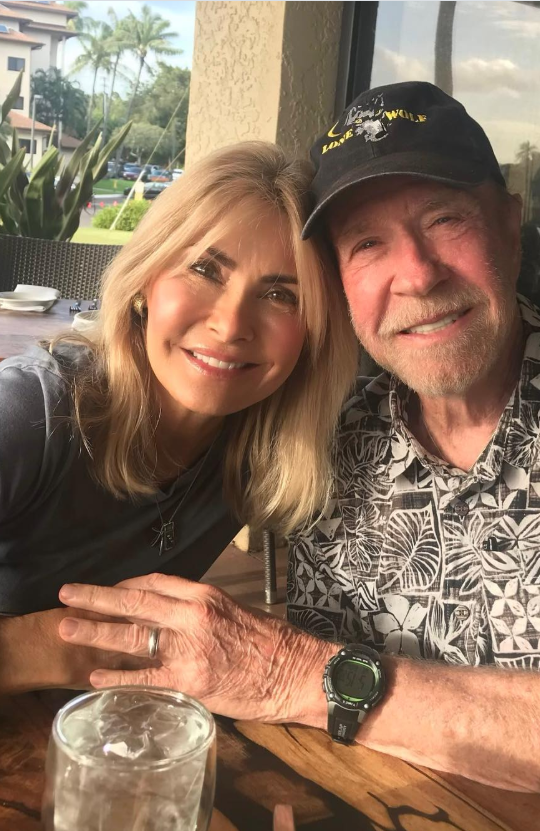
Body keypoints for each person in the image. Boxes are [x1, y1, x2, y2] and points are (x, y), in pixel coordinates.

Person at [58, 84, 540, 829]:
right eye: (366, 244)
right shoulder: (333, 425)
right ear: (337, 284)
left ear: (511, 226)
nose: (416, 274)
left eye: (446, 220)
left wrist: (288, 672)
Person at [0, 141, 357, 693]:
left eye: (282, 295)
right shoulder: (31, 412)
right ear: (147, 279)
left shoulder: (265, 447)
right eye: (204, 269)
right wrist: (51, 647)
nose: (231, 323)